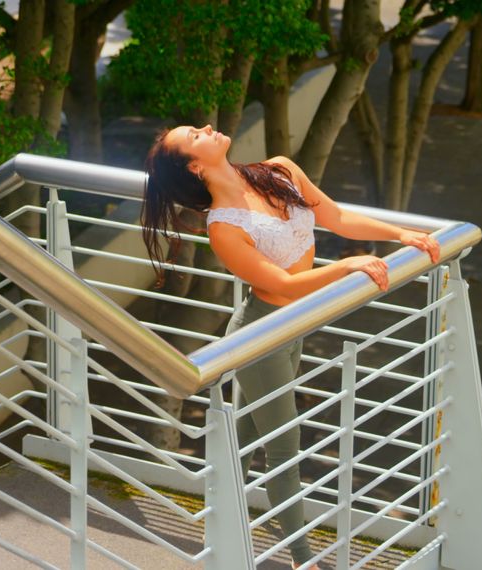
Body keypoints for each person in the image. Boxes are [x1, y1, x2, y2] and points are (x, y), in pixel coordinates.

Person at [140, 124, 440, 569]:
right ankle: (303, 560)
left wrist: (402, 235)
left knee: (244, 437)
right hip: (261, 334)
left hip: (293, 327)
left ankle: (219, 536)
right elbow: (283, 283)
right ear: (195, 166)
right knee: (284, 447)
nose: (207, 126)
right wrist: (347, 266)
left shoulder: (278, 170)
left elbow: (335, 217)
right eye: (195, 134)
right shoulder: (224, 227)